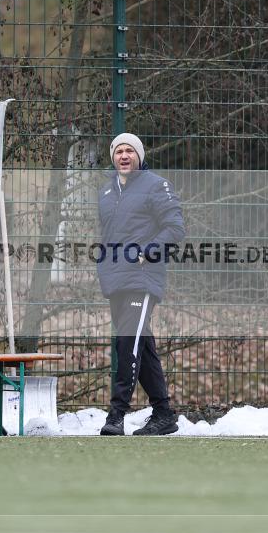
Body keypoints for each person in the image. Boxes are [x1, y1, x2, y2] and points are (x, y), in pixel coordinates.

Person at [97, 133, 185, 436]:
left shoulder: (156, 185)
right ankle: (163, 414)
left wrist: (147, 252)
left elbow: (175, 228)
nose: (124, 155)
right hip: (115, 279)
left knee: (127, 343)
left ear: (139, 156)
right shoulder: (105, 191)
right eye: (118, 151)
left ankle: (116, 415)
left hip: (143, 278)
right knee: (141, 346)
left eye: (129, 151)